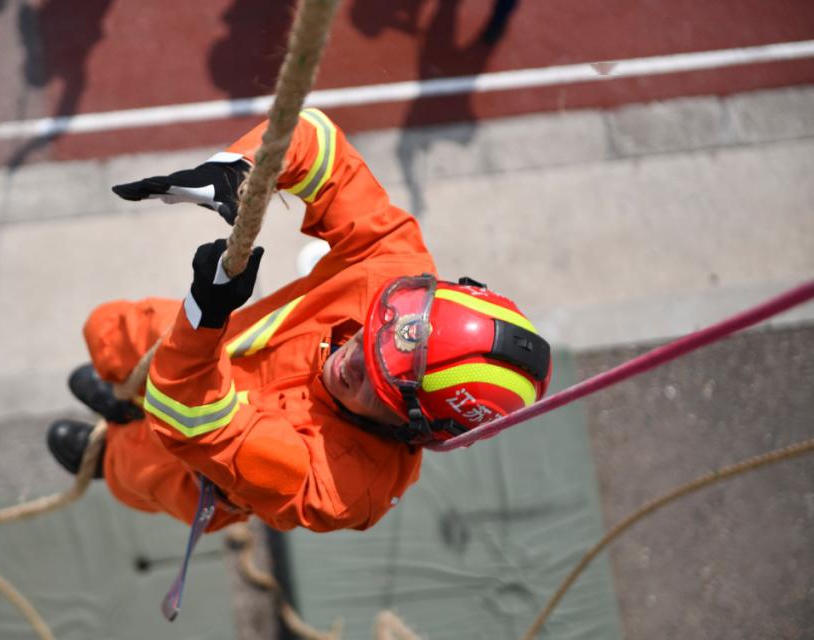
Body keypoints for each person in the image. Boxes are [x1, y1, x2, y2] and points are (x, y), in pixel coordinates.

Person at [47, 108, 551, 534]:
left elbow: (194, 422)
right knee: (108, 329)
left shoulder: (345, 486)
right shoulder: (397, 272)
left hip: (202, 454)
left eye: (379, 387)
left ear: (412, 432)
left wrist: (205, 315)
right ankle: (120, 393)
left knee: (135, 467)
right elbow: (319, 142)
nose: (352, 359)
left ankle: (103, 452)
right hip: (227, 349)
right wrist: (240, 167)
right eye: (374, 335)